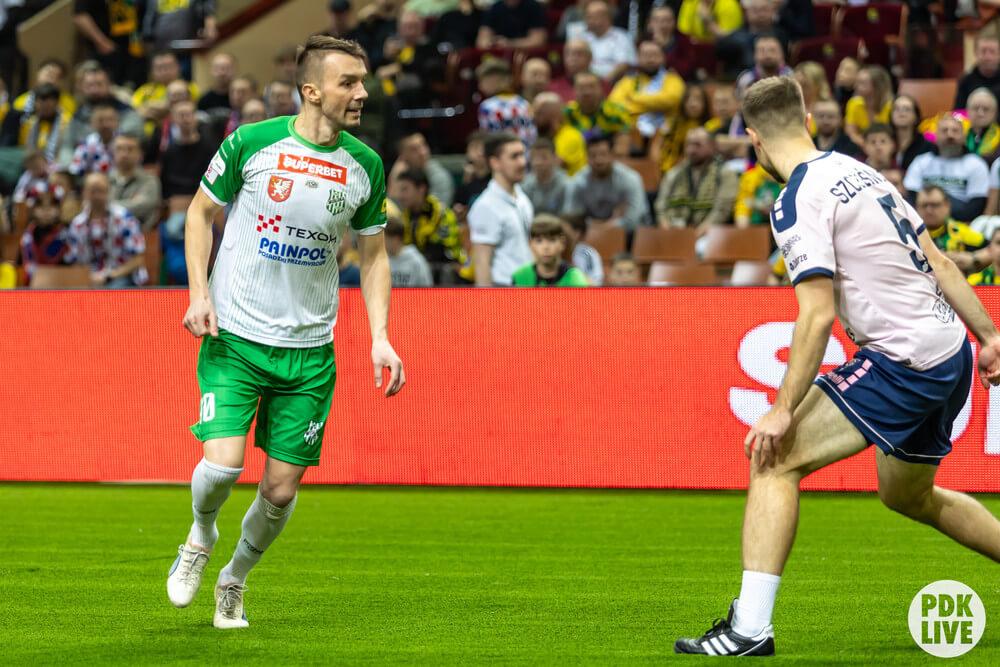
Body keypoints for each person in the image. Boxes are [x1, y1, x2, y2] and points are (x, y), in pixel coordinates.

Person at [675, 75, 1000, 657]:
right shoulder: (861, 171)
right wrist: (990, 335)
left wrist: (781, 410)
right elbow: (938, 259)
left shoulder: (796, 199)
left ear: (753, 139)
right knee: (908, 497)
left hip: (903, 361)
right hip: (949, 349)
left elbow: (817, 315)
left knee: (774, 459)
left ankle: (749, 629)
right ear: (806, 121)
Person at [167, 35, 404, 630]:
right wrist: (198, 294)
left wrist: (380, 335)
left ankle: (234, 580)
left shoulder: (366, 166)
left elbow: (374, 256)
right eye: (349, 82)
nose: (362, 93)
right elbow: (199, 213)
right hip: (236, 336)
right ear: (312, 91)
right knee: (223, 467)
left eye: (363, 81)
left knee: (278, 491)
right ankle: (199, 536)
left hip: (309, 352)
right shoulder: (252, 143)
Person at [469, 131, 533, 286]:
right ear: (494, 163)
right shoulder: (485, 207)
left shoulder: (522, 197)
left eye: (522, 155)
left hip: (527, 287)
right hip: (503, 290)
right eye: (514, 157)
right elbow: (482, 263)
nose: (522, 162)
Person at [904, 115, 989, 223]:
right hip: (923, 221)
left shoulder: (977, 164)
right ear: (935, 136)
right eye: (944, 130)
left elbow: (976, 207)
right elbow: (911, 198)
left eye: (955, 131)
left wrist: (940, 212)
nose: (950, 135)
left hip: (962, 223)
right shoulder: (921, 161)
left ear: (964, 137)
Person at [67, 172, 147, 287]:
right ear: (85, 192)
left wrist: (110, 276)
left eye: (101, 191)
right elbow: (75, 261)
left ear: (108, 192)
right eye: (93, 191)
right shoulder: (77, 224)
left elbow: (138, 259)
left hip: (121, 276)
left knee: (113, 291)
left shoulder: (124, 218)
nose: (97, 196)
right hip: (89, 278)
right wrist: (89, 278)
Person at [393, 168, 471, 282]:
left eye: (405, 189)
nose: (400, 196)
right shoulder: (403, 215)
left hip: (447, 271)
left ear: (421, 189)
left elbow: (443, 252)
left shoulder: (441, 213)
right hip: (418, 267)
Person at [654, 127, 738, 232]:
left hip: (710, 235)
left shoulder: (725, 173)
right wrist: (666, 229)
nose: (691, 150)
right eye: (688, 144)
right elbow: (660, 207)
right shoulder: (674, 174)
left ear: (712, 146)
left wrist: (698, 233)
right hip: (674, 233)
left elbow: (722, 210)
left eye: (697, 145)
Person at [565, 133, 651, 230]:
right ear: (586, 157)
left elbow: (634, 220)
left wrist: (603, 226)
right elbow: (573, 218)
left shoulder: (630, 179)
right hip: (589, 233)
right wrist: (607, 224)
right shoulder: (578, 181)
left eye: (603, 154)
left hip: (628, 233)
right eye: (593, 156)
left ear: (612, 155)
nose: (598, 160)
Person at [608, 41, 685, 143]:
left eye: (655, 55)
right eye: (646, 55)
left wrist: (634, 98)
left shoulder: (673, 80)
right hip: (632, 134)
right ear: (638, 58)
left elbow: (671, 100)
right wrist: (655, 106)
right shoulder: (627, 81)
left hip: (666, 134)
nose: (650, 59)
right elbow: (614, 106)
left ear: (663, 58)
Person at [564, 71, 633, 156]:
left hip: (608, 159)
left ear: (600, 89)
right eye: (581, 88)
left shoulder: (616, 112)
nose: (587, 92)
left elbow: (622, 146)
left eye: (592, 87)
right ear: (574, 90)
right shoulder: (567, 114)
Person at [566, 0, 636, 82]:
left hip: (613, 83)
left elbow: (624, 65)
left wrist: (604, 83)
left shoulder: (622, 37)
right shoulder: (582, 38)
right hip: (585, 82)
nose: (588, 20)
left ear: (606, 17)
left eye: (591, 17)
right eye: (587, 17)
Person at [512, 215, 590, 286]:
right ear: (530, 244)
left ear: (562, 243)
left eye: (552, 240)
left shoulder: (575, 279)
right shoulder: (520, 277)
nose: (546, 247)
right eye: (539, 241)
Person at [109, 133, 161, 230]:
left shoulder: (149, 181)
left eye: (130, 149)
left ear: (141, 154)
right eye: (119, 149)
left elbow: (141, 208)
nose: (124, 154)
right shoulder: (104, 180)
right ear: (112, 153)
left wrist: (107, 206)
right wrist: (131, 202)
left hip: (141, 234)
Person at [476, 60, 535, 144]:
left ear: (494, 80)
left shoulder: (487, 107)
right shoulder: (524, 103)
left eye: (482, 81)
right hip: (524, 150)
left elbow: (487, 138)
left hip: (500, 150)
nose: (480, 86)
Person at [389, 132, 454, 206]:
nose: (422, 152)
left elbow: (437, 209)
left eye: (423, 145)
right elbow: (390, 209)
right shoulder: (401, 175)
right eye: (414, 149)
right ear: (403, 156)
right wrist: (394, 178)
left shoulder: (439, 176)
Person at [532, 92, 587, 176]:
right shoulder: (544, 137)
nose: (533, 118)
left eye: (538, 113)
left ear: (553, 114)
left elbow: (550, 169)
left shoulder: (570, 136)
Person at [843, 65, 893, 148]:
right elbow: (850, 133)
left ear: (877, 86)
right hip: (861, 147)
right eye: (856, 82)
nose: (855, 86)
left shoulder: (891, 107)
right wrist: (868, 146)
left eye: (862, 83)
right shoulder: (854, 103)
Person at [521, 137, 571, 215]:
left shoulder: (566, 185)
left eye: (544, 158)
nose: (538, 162)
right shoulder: (525, 185)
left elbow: (568, 216)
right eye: (534, 158)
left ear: (555, 158)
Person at [68, 100, 119, 176]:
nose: (106, 124)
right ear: (92, 123)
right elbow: (75, 171)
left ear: (117, 121)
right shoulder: (87, 143)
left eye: (110, 120)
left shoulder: (125, 143)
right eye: (101, 120)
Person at [647, 5, 694, 81]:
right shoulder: (643, 41)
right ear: (649, 23)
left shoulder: (684, 41)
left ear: (674, 22)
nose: (662, 25)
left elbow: (686, 69)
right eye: (657, 20)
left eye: (667, 20)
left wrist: (665, 47)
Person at [955, 32, 1000, 110]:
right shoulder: (966, 81)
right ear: (976, 53)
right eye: (983, 51)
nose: (987, 57)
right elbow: (959, 112)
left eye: (992, 51)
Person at [476, 0, 547, 49]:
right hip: (498, 56)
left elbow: (538, 41)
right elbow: (482, 41)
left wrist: (509, 44)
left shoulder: (533, 7)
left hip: (527, 54)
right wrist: (492, 43)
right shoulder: (494, 9)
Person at [891, 94, 935, 171]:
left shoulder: (926, 146)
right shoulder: (885, 140)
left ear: (916, 117)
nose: (901, 112)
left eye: (907, 109)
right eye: (897, 109)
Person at [384, 218, 434, 286]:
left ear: (396, 239)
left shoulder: (416, 261)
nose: (383, 242)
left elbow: (426, 287)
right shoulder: (382, 260)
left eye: (385, 238)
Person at [560, 215, 603, 285]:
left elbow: (596, 284)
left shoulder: (588, 254)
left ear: (577, 233)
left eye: (564, 232)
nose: (560, 235)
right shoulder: (553, 251)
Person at [677, 0, 743, 43]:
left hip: (722, 52)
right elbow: (683, 34)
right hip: (696, 50)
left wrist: (708, 21)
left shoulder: (729, 5)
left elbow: (730, 41)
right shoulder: (690, 2)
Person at [965, 87, 1000, 163]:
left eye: (986, 109)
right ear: (967, 110)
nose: (980, 113)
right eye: (975, 108)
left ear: (995, 113)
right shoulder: (958, 135)